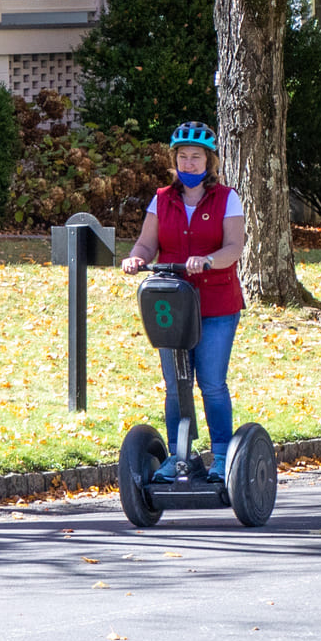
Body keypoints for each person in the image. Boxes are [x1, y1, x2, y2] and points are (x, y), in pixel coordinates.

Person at [119, 122, 245, 480]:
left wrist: (208, 260)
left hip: (216, 305)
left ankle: (221, 457)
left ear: (210, 161)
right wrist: (135, 258)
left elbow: (234, 246)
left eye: (196, 157)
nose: (188, 163)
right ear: (174, 160)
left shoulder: (226, 197)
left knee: (211, 382)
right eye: (182, 157)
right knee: (176, 384)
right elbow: (147, 243)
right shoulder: (162, 198)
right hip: (172, 307)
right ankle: (179, 456)